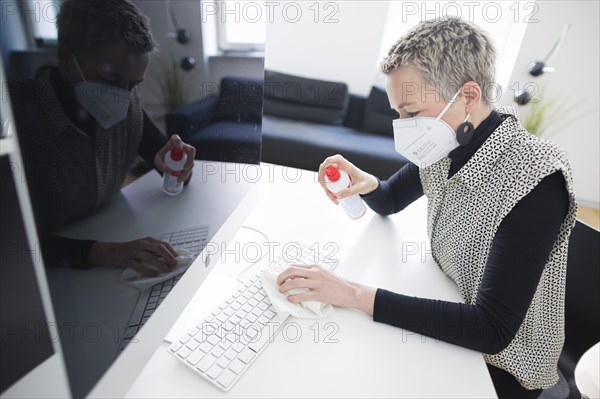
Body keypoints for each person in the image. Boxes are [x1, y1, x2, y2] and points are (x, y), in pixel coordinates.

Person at [277, 17, 577, 399]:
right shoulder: (447, 142)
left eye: (412, 112)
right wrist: (365, 184)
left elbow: (491, 330)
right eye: (397, 113)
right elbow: (390, 199)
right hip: (452, 306)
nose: (403, 127)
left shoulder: (535, 176)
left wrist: (351, 293)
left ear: (468, 95)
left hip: (505, 367)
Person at [7, 0, 196, 277]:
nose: (123, 97)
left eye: (134, 85)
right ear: (66, 60)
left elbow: (167, 160)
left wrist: (179, 166)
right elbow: (11, 241)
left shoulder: (127, 102)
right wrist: (108, 252)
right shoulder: (16, 116)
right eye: (111, 82)